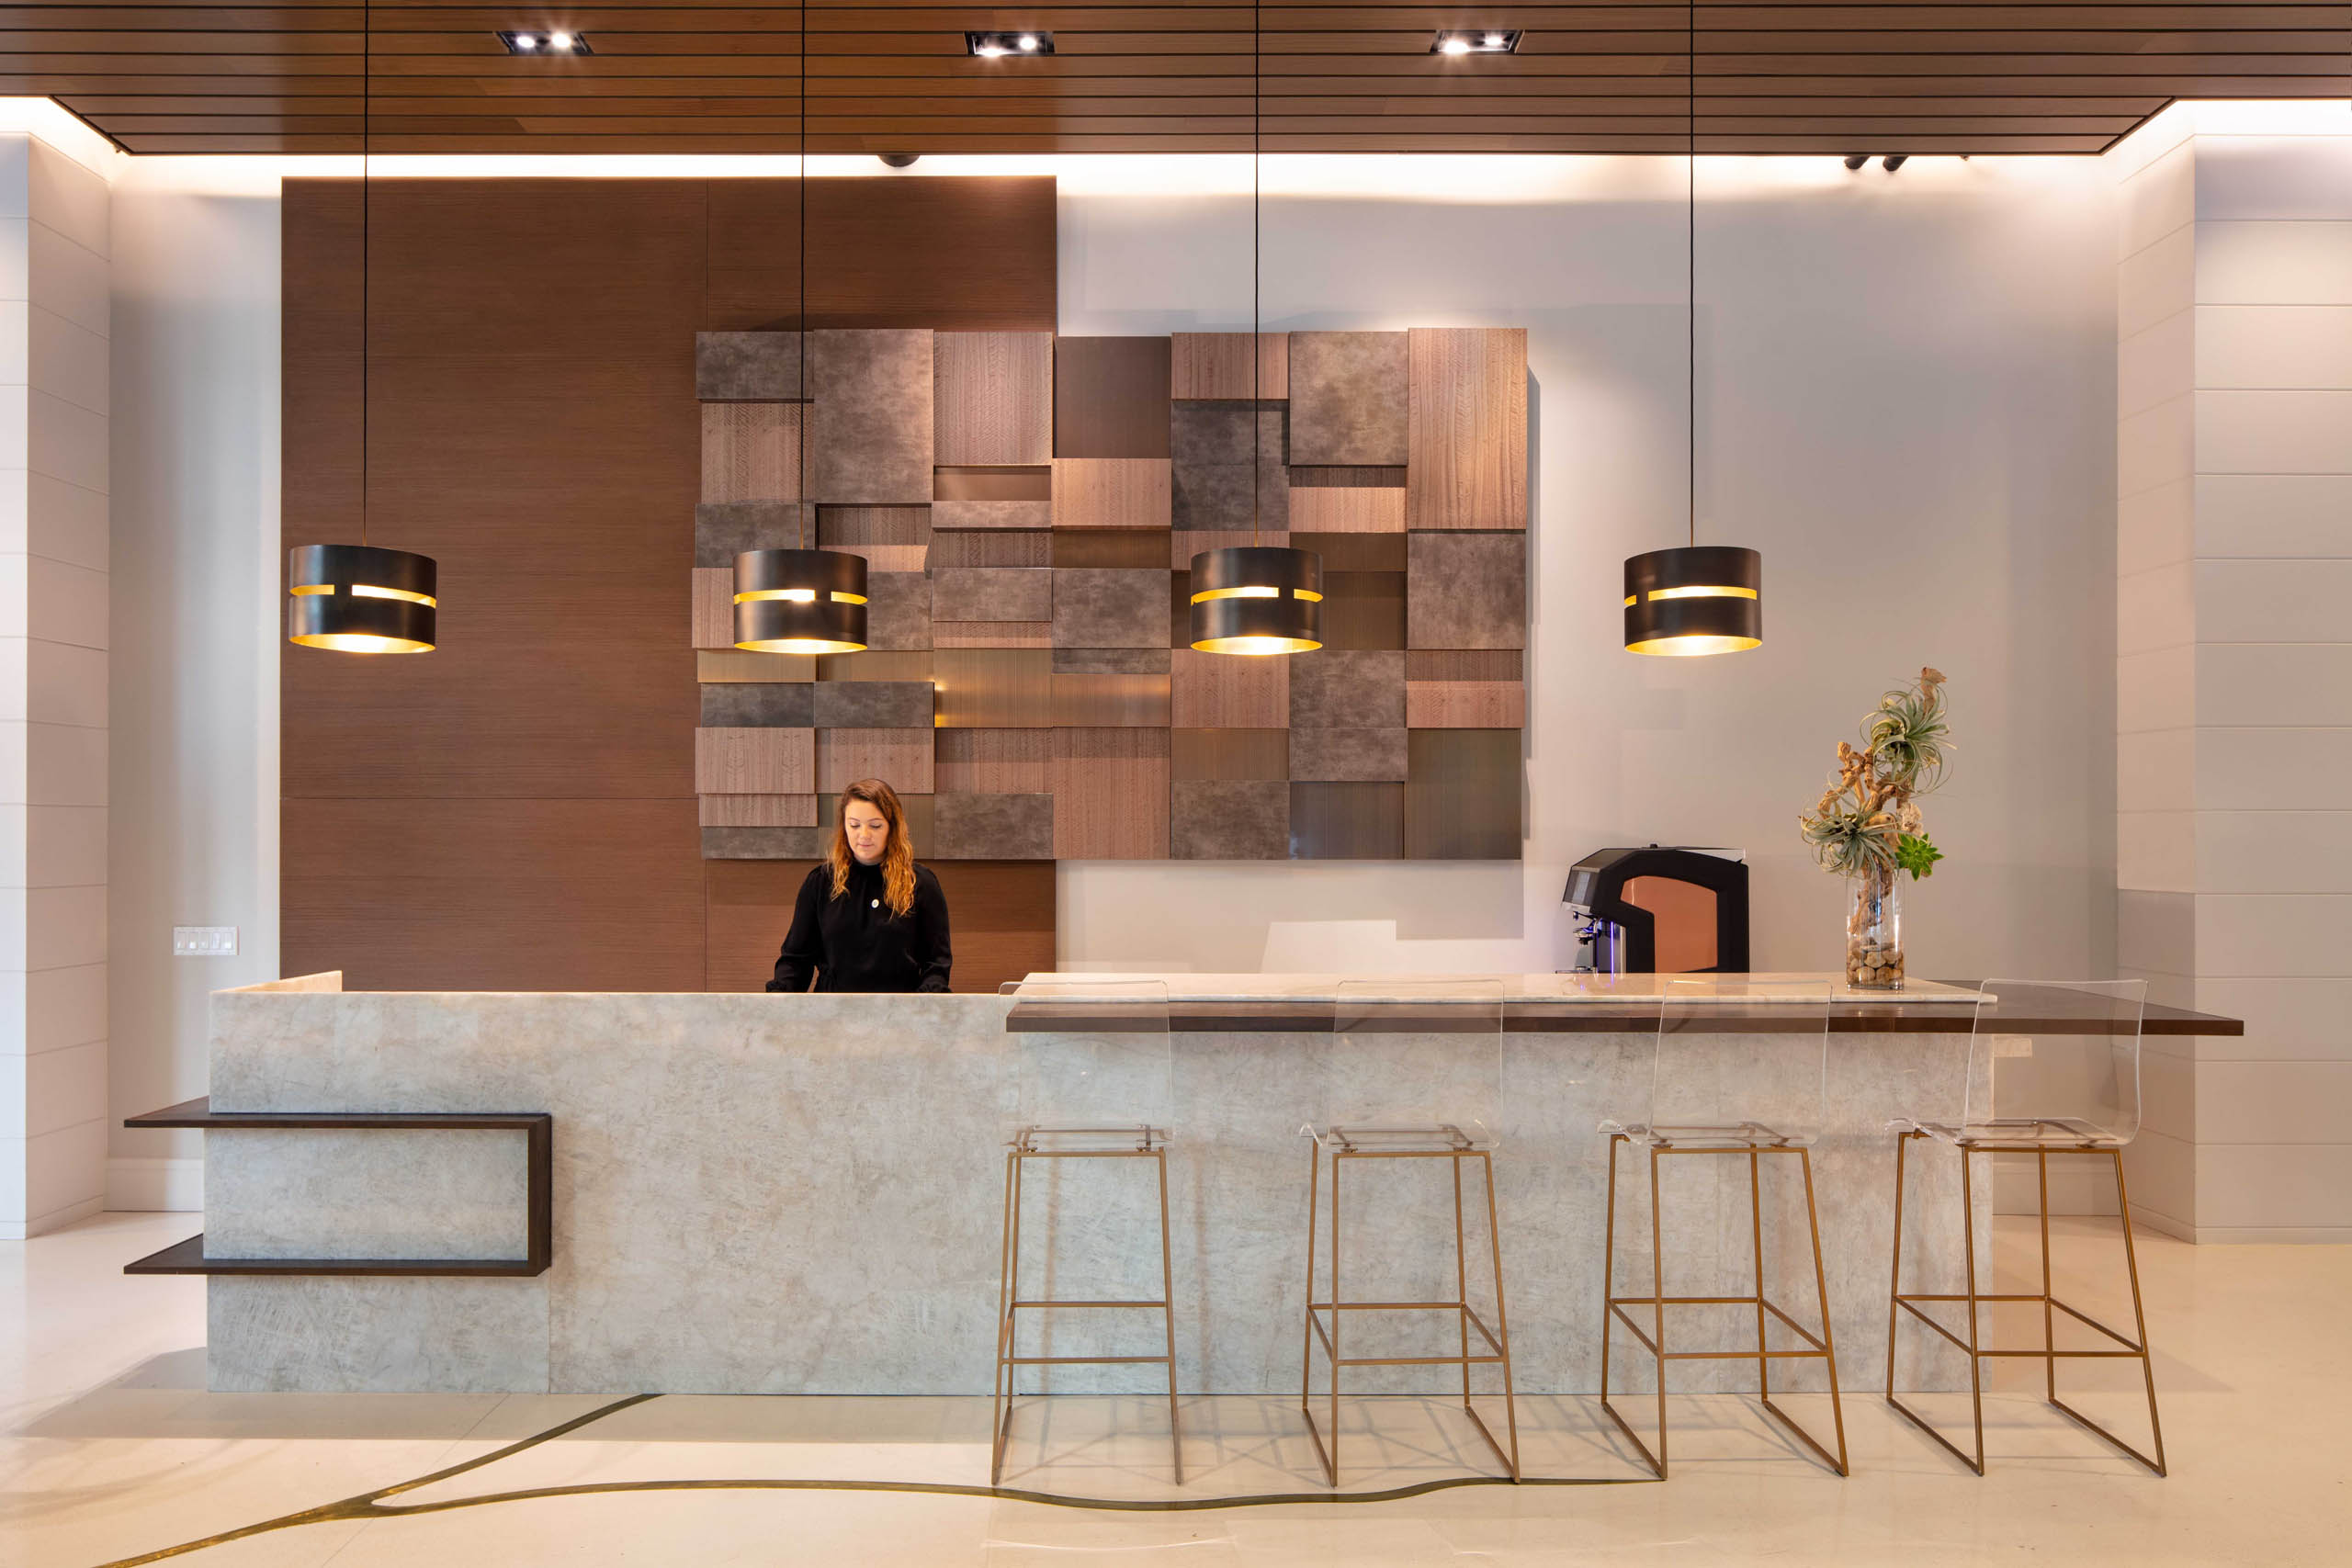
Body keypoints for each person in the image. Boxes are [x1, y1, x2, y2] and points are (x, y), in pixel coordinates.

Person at [766, 778, 952, 994]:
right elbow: (796, 960)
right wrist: (777, 1003)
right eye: (854, 825)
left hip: (899, 1016)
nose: (864, 835)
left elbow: (936, 964)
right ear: (844, 826)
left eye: (875, 825)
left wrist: (920, 1011)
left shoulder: (921, 883)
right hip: (832, 1013)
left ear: (892, 827)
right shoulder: (820, 882)